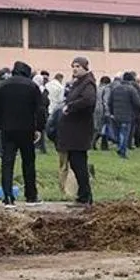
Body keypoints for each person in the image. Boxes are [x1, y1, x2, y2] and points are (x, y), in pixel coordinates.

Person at [0, 61, 47, 207]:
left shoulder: (1, 86)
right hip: (27, 129)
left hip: (7, 129)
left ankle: (8, 197)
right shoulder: (32, 86)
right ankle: (31, 196)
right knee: (28, 162)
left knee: (7, 163)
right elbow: (40, 109)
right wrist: (39, 128)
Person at [58, 56, 97, 206]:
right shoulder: (79, 83)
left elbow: (88, 100)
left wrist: (70, 106)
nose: (75, 69)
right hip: (74, 130)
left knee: (79, 163)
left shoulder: (88, 83)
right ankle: (83, 195)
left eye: (78, 66)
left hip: (79, 130)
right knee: (76, 163)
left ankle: (85, 196)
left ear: (85, 68)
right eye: (73, 66)